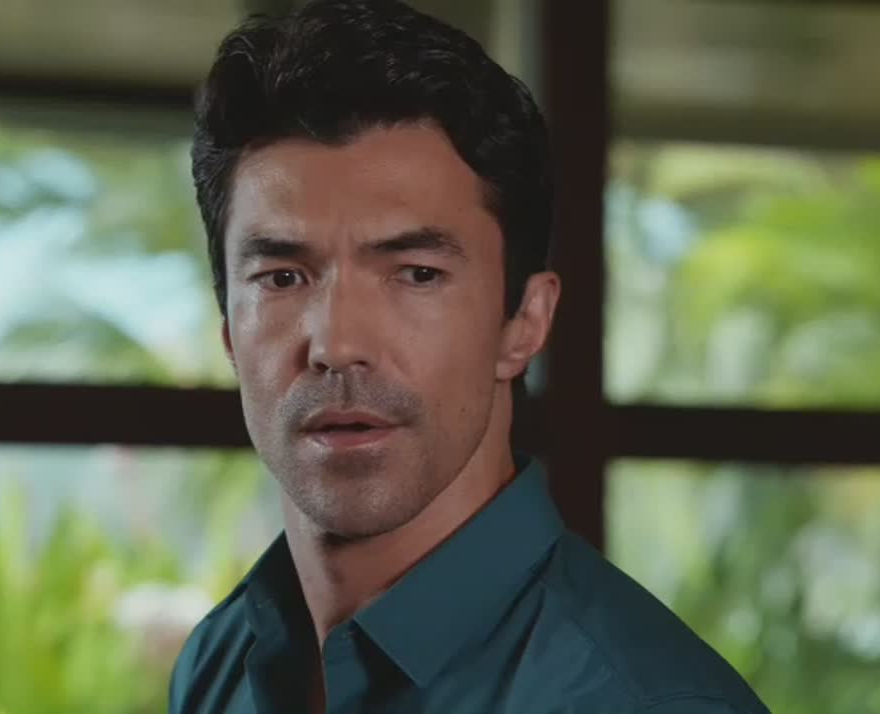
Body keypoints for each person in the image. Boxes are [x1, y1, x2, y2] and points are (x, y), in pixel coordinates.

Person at [169, 1, 771, 712]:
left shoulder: (646, 701)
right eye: (281, 278)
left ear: (524, 322)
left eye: (417, 273)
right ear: (229, 333)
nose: (336, 345)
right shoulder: (219, 665)